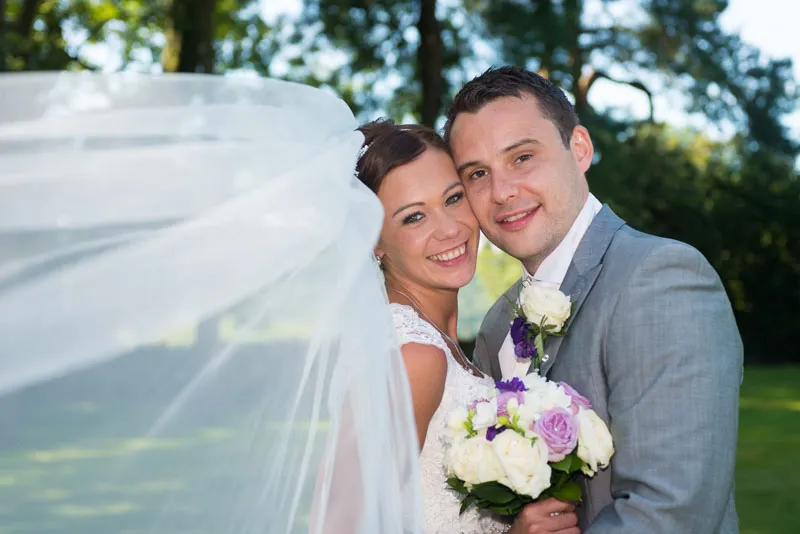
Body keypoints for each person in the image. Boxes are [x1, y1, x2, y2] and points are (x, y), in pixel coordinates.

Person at [444, 66, 743, 533]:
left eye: (522, 157)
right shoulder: (498, 323)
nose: (502, 192)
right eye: (478, 173)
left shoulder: (660, 278)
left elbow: (672, 513)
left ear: (579, 148)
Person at [354, 119, 580, 534]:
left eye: (453, 198)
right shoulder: (415, 355)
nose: (449, 228)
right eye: (414, 217)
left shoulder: (436, 341)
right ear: (374, 241)